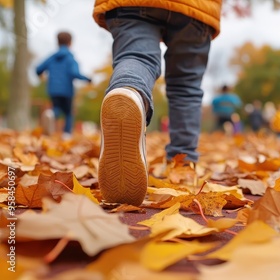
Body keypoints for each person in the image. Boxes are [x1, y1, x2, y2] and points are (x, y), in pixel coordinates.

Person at [93, 0, 222, 206]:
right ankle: (183, 164)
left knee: (136, 57)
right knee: (185, 87)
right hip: (197, 7)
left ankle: (129, 90)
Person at [36, 31, 92, 139]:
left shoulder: (51, 58)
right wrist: (87, 79)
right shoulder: (70, 59)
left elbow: (38, 69)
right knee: (68, 112)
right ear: (70, 43)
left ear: (57, 42)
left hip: (53, 89)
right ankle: (66, 135)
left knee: (56, 108)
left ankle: (51, 113)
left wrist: (40, 75)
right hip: (66, 90)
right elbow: (75, 73)